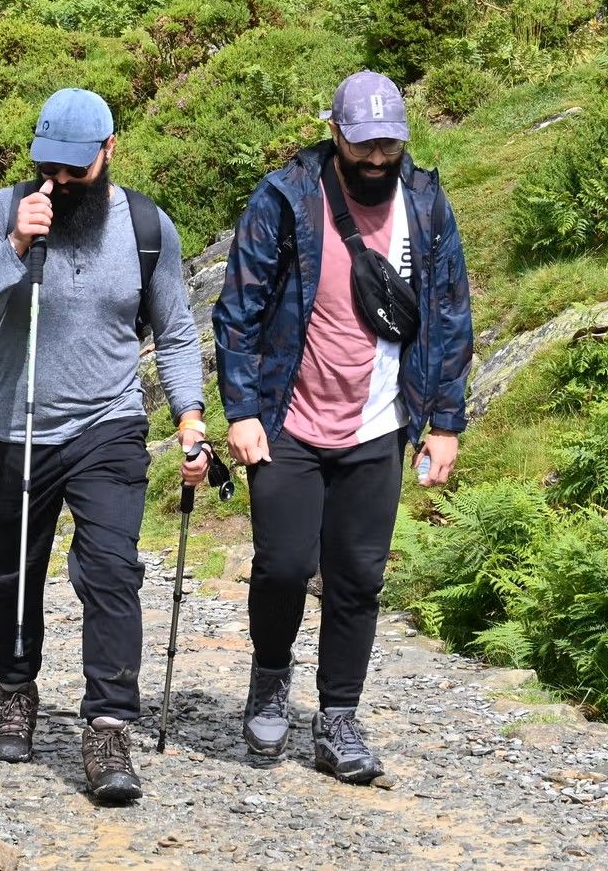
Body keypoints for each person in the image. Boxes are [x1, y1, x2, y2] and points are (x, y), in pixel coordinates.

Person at [211, 70, 473, 784]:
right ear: (335, 133)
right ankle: (269, 676)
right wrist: (240, 411)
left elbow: (449, 314)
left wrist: (444, 422)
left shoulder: (425, 202)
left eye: (390, 146)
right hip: (287, 418)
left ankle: (337, 718)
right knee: (286, 566)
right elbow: (239, 312)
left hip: (379, 422)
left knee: (357, 578)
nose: (377, 160)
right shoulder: (285, 199)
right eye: (364, 146)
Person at [0, 87, 207, 805]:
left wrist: (190, 413)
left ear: (109, 151)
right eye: (47, 169)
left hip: (109, 423)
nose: (59, 185)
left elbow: (178, 330)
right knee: (14, 568)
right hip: (14, 425)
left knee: (112, 570)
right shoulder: (2, 213)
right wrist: (16, 247)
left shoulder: (148, 226)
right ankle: (15, 688)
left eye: (75, 171)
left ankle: (107, 725)